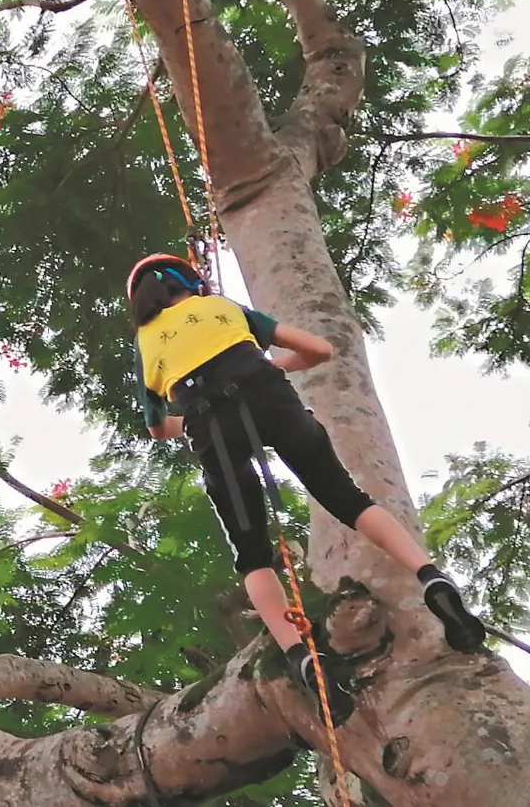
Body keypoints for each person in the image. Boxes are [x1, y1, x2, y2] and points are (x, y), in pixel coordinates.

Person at [128, 252, 486, 724]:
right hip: (269, 394)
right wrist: (270, 367)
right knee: (350, 501)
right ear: (192, 283)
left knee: (252, 556)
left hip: (209, 422)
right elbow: (320, 349)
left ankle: (300, 657)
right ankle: (431, 576)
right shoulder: (225, 308)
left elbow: (156, 427)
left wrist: (193, 420)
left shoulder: (146, 340)